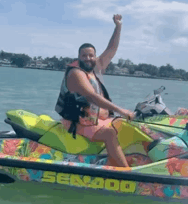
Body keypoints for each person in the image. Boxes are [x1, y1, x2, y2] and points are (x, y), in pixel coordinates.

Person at [55, 14, 135, 167]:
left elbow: (112, 49)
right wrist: (121, 110)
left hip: (98, 121)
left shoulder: (96, 68)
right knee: (110, 133)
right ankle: (124, 172)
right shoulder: (75, 73)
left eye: (91, 55)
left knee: (127, 125)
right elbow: (91, 96)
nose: (88, 58)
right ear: (78, 57)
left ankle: (115, 159)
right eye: (84, 55)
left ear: (95, 57)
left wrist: (118, 27)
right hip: (78, 124)